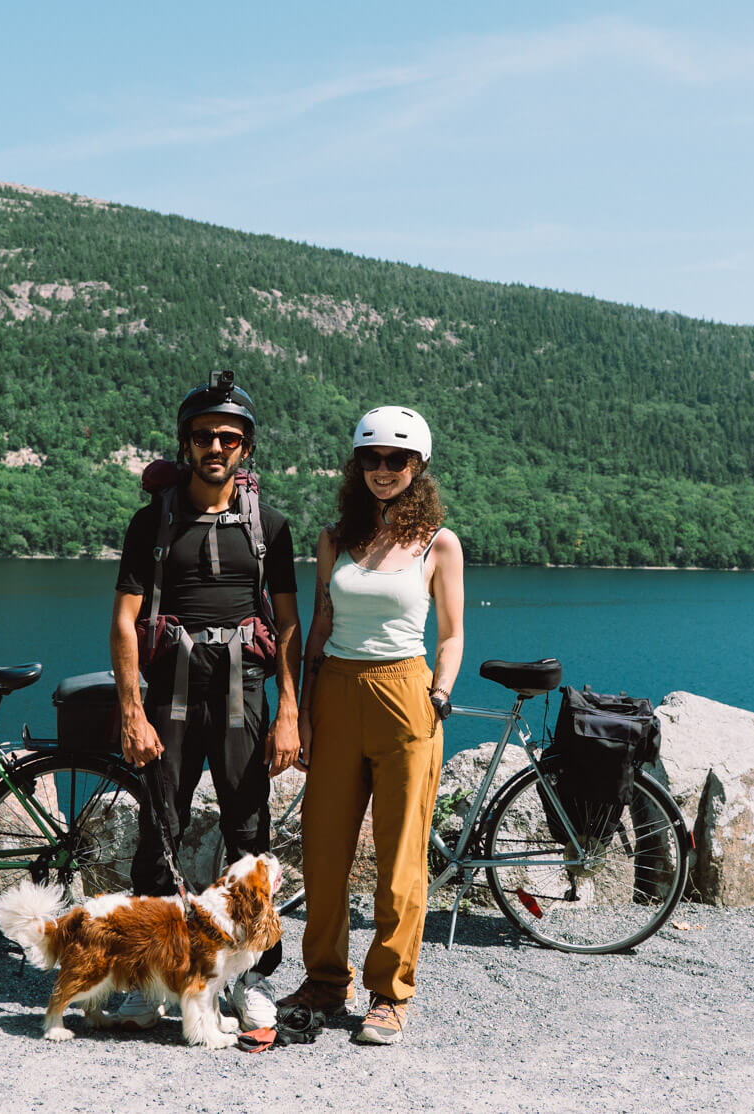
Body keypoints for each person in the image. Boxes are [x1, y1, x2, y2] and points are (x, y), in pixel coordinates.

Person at [108, 370, 303, 1031]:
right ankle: (148, 978)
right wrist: (131, 711)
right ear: (185, 444)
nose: (215, 447)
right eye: (203, 436)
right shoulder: (152, 524)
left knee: (251, 842)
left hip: (244, 697)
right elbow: (124, 622)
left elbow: (288, 626)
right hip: (168, 698)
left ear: (245, 448)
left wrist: (291, 714)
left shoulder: (269, 528)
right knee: (158, 835)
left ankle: (254, 981)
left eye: (228, 437)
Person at [278, 405, 464, 1046]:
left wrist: (438, 695)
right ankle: (326, 980)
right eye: (371, 458)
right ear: (357, 466)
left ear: (418, 467)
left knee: (401, 856)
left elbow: (451, 634)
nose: (383, 470)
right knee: (323, 851)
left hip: (405, 693)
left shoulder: (439, 543)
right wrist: (298, 711)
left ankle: (389, 994)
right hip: (335, 689)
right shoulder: (335, 539)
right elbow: (319, 627)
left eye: (397, 459)